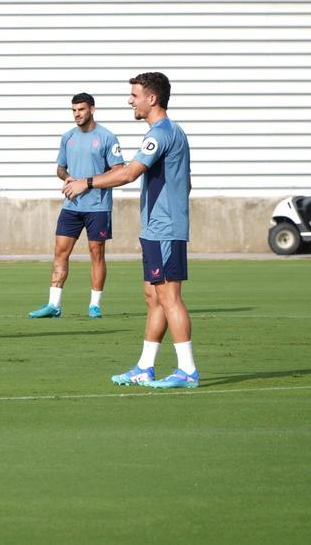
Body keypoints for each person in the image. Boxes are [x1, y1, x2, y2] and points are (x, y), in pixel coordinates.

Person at [63, 72, 197, 389]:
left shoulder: (161, 134)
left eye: (135, 95)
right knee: (153, 297)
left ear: (152, 98)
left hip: (165, 229)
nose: (130, 100)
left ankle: (187, 370)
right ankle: (145, 367)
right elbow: (186, 182)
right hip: (156, 227)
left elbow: (129, 174)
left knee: (170, 297)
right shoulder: (165, 133)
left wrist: (87, 182)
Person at [28, 93, 124, 319]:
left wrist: (87, 184)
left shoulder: (107, 137)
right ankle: (54, 305)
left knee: (96, 253)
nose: (77, 114)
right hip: (71, 206)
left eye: (81, 109)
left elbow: (119, 171)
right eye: (74, 110)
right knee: (60, 252)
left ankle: (95, 305)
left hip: (98, 207)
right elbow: (60, 168)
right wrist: (67, 177)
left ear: (92, 109)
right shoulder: (67, 137)